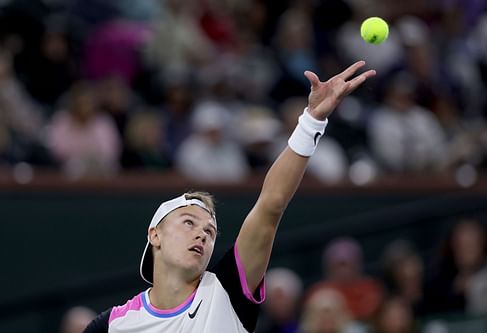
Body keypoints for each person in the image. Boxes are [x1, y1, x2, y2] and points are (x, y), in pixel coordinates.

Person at [83, 61, 376, 333]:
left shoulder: (227, 290)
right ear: (155, 235)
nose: (202, 235)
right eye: (189, 222)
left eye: (210, 232)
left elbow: (271, 205)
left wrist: (311, 121)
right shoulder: (110, 325)